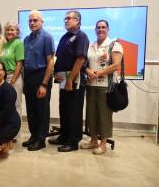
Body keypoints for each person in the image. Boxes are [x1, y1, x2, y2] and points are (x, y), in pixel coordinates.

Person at [81, 20, 123, 155]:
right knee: (91, 114)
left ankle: (103, 143)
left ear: (108, 29)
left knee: (104, 115)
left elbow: (116, 65)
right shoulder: (91, 45)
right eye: (98, 27)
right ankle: (93, 140)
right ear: (95, 30)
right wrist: (88, 72)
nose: (100, 29)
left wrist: (98, 73)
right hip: (91, 85)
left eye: (103, 27)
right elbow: (85, 63)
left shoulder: (114, 45)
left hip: (106, 86)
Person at [50, 10, 90, 152]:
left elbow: (80, 59)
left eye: (69, 18)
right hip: (63, 78)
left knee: (74, 111)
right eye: (65, 18)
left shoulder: (81, 36)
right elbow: (58, 57)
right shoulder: (65, 37)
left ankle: (73, 142)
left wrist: (70, 80)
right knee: (64, 108)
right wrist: (55, 73)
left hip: (75, 79)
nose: (66, 20)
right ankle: (64, 136)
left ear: (77, 21)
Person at [22, 10, 55, 151]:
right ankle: (33, 136)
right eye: (30, 20)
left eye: (35, 20)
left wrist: (44, 84)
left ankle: (41, 139)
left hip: (41, 76)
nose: (32, 23)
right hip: (29, 77)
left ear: (42, 22)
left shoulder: (47, 37)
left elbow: (50, 62)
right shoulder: (26, 39)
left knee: (42, 110)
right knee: (31, 110)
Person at [0, 21, 24, 123]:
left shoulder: (18, 43)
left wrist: (13, 80)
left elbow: (20, 63)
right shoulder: (5, 45)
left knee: (16, 104)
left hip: (14, 77)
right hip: (4, 77)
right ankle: (7, 131)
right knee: (6, 105)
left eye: (12, 29)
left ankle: (16, 134)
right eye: (8, 29)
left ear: (17, 32)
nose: (10, 31)